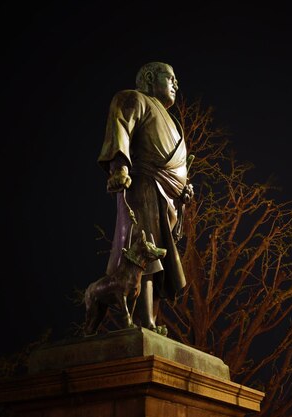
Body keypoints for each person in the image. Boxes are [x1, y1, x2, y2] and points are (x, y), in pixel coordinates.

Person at [97, 62, 193, 333]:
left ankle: (150, 317)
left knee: (161, 258)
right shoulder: (134, 99)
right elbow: (121, 127)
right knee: (145, 247)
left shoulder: (174, 123)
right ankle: (144, 320)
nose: (176, 83)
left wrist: (184, 190)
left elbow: (174, 163)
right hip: (143, 184)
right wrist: (119, 166)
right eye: (170, 77)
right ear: (151, 78)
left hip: (168, 197)